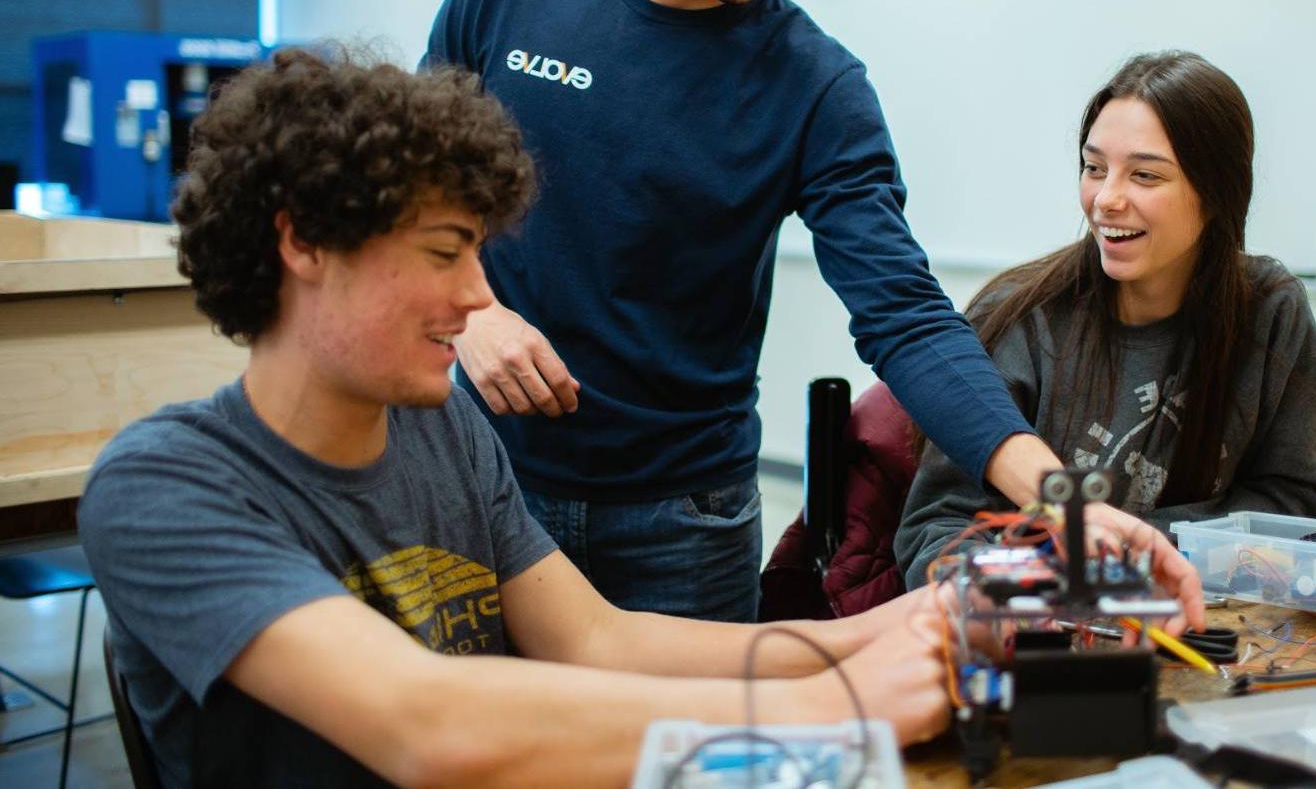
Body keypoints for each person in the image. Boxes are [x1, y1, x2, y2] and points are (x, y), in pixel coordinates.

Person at [424, 0, 1202, 626]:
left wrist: (1058, 498)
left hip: (683, 523)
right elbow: (414, 192)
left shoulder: (815, 85)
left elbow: (904, 313)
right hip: (479, 478)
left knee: (686, 759)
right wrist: (474, 311)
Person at [77, 49, 950, 789]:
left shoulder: (442, 429)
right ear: (303, 242)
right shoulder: (162, 486)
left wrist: (888, 631)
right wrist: (833, 707)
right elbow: (422, 723)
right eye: (442, 252)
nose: (477, 295)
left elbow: (598, 640)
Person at [895, 51, 1316, 589]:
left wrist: (1134, 550)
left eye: (1145, 176)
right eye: (1094, 168)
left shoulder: (1270, 310)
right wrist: (1049, 587)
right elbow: (935, 534)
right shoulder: (1019, 319)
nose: (1106, 199)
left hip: (1199, 622)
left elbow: (1292, 507)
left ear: (1217, 191)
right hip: (1037, 631)